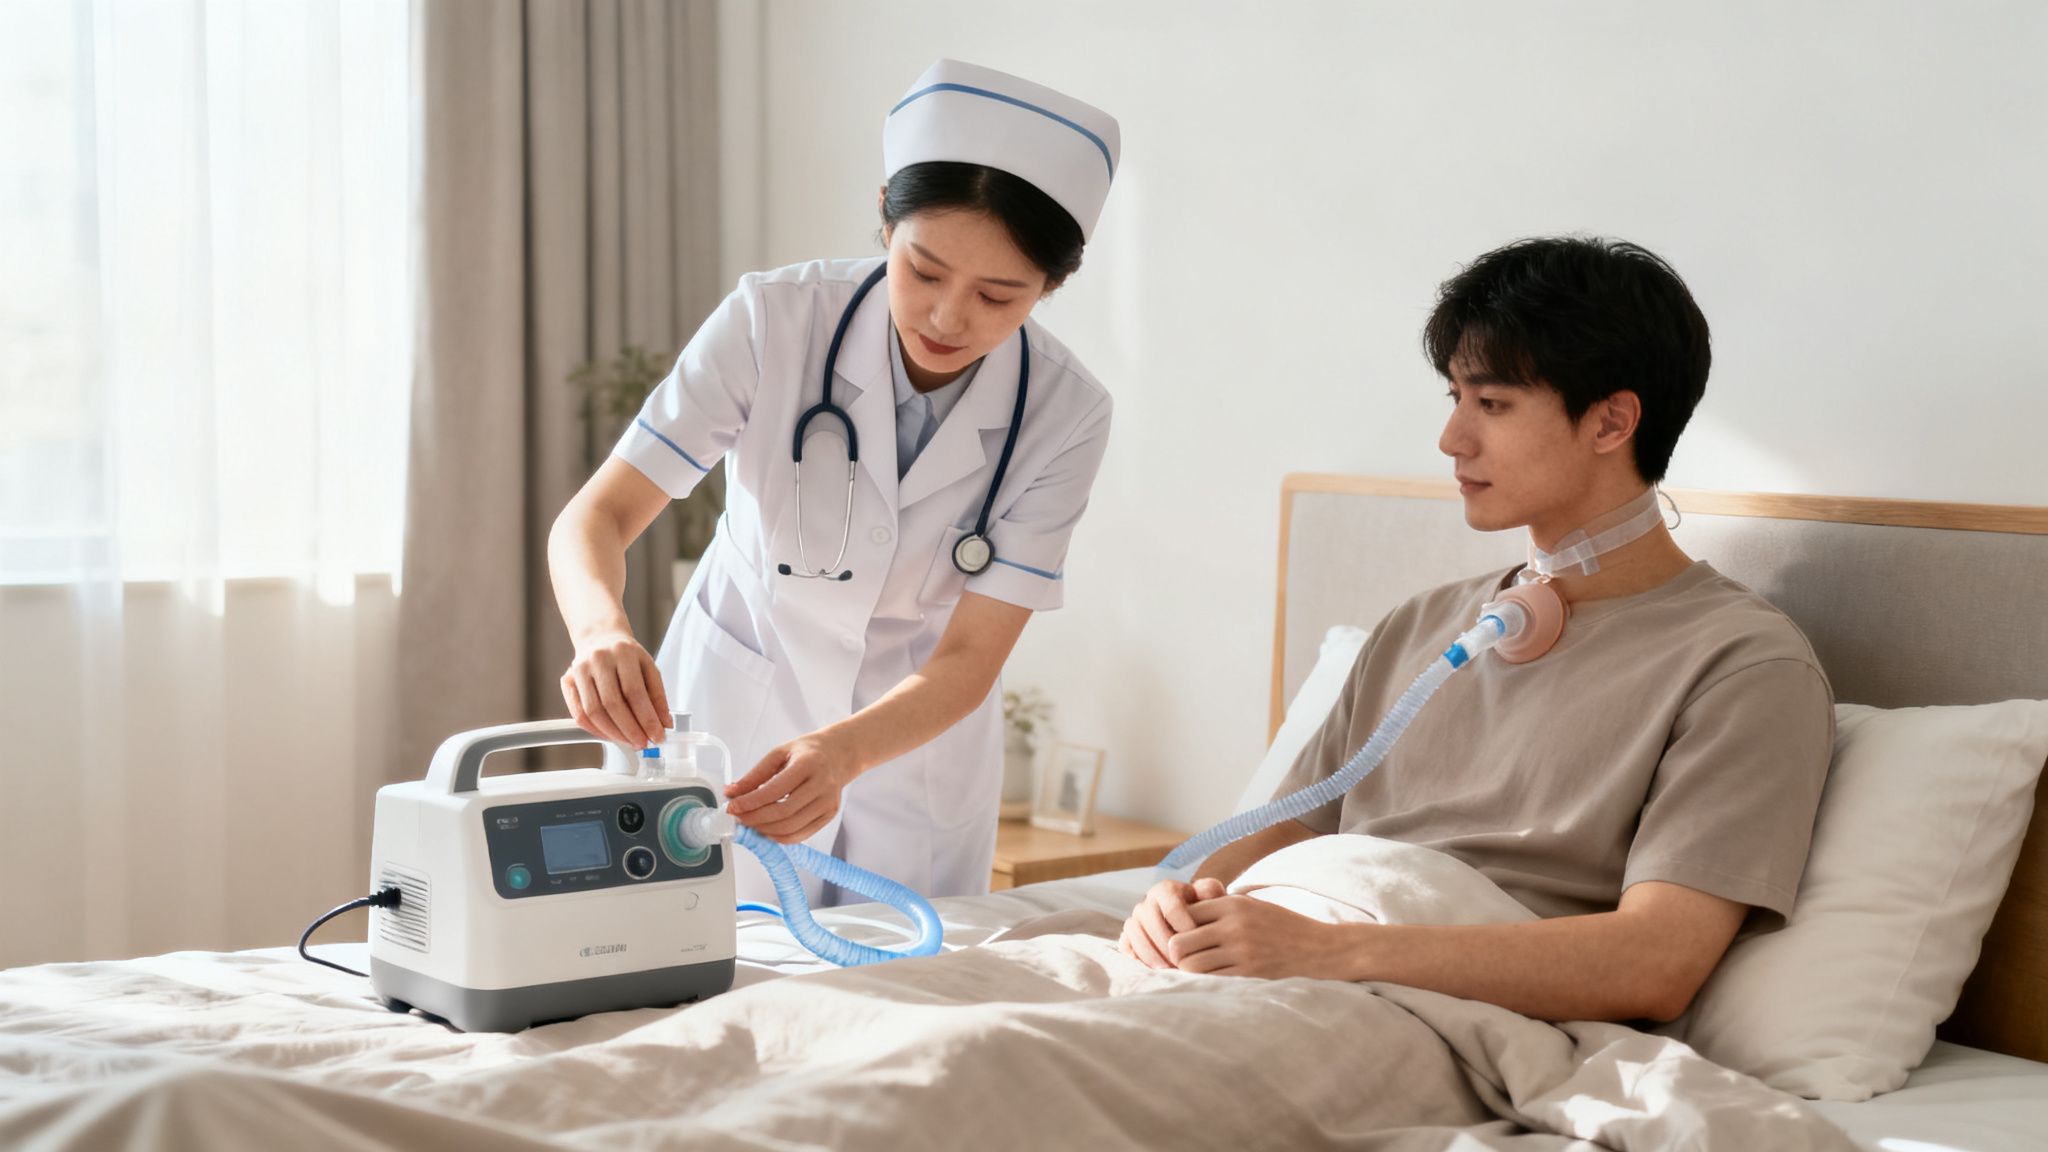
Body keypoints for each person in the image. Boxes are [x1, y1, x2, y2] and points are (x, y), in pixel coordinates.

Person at [1122, 237, 1835, 1024]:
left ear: (1612, 422)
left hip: (1402, 1011)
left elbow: (1656, 961)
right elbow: (1291, 822)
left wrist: (1332, 953)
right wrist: (1179, 904)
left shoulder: (1741, 664)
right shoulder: (1420, 627)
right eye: (1454, 398)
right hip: (1252, 975)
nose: (1452, 439)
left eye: (1491, 404)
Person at [548, 59, 1120, 905]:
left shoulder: (1065, 413)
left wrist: (849, 750)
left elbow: (971, 656)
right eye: (924, 271)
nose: (949, 318)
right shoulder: (771, 321)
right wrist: (600, 631)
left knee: (900, 999)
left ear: (1051, 286)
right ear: (885, 220)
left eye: (1000, 296)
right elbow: (598, 515)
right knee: (680, 971)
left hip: (912, 750)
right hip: (737, 707)